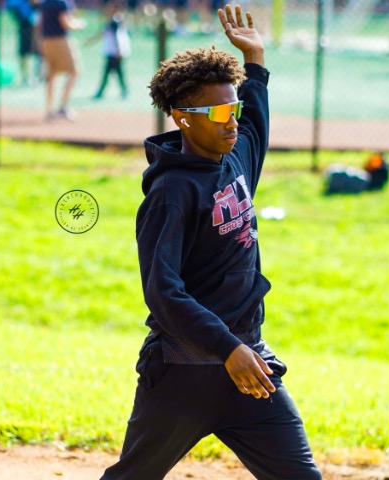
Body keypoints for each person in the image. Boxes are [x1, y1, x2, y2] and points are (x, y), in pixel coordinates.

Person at [99, 5, 323, 480]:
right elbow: (163, 292)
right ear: (183, 119)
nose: (232, 121)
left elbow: (256, 121)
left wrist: (255, 61)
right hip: (185, 373)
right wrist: (226, 348)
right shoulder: (171, 194)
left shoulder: (234, 160)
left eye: (233, 108)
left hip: (249, 367)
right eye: (220, 112)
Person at [36, 0, 86, 120]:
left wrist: (39, 42)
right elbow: (65, 23)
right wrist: (79, 24)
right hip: (60, 40)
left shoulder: (45, 3)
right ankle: (63, 107)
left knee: (51, 74)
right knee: (75, 71)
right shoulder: (61, 2)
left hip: (46, 40)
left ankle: (50, 109)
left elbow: (39, 24)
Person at [87, 0, 131, 100]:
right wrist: (91, 41)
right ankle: (123, 90)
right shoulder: (115, 20)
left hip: (114, 51)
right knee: (117, 72)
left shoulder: (115, 21)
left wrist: (118, 50)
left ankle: (102, 91)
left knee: (109, 72)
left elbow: (116, 37)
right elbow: (103, 33)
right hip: (114, 51)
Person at [7, 0, 41, 86]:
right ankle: (25, 77)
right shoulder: (20, 4)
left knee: (39, 52)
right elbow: (10, 6)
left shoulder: (39, 6)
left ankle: (38, 75)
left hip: (38, 27)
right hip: (25, 26)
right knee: (24, 52)